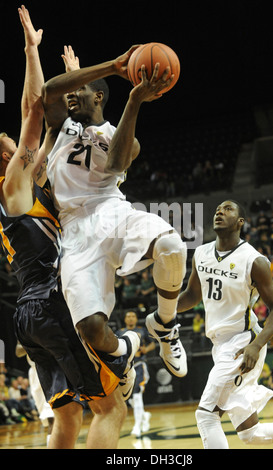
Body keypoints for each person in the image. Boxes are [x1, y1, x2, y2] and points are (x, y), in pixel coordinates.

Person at [0, 6, 139, 449]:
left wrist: (74, 86)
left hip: (27, 315)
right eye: (8, 142)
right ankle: (126, 354)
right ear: (7, 159)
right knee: (111, 407)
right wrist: (31, 51)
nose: (12, 139)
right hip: (49, 302)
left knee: (68, 416)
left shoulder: (32, 184)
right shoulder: (15, 186)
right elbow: (33, 110)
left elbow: (50, 134)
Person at [42, 44, 188, 379]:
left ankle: (165, 323)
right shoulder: (59, 126)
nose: (70, 96)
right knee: (91, 330)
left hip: (111, 211)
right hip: (74, 230)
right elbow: (50, 89)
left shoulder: (121, 137)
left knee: (172, 245)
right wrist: (113, 65)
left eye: (79, 91)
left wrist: (134, 100)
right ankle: (125, 350)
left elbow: (118, 162)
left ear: (98, 98)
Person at [177, 199, 273, 448]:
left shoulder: (254, 260)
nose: (219, 211)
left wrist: (256, 345)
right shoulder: (200, 253)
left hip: (243, 342)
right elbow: (191, 295)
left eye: (228, 209)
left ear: (240, 222)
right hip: (220, 345)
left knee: (206, 414)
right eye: (217, 209)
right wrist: (164, 309)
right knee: (250, 434)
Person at [116, 310, 155, 437]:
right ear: (125, 319)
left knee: (137, 394)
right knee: (130, 398)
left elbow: (153, 344)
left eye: (133, 316)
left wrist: (146, 349)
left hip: (139, 365)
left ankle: (137, 426)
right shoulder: (119, 332)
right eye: (128, 316)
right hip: (125, 368)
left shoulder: (142, 330)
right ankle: (144, 415)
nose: (131, 318)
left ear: (136, 319)